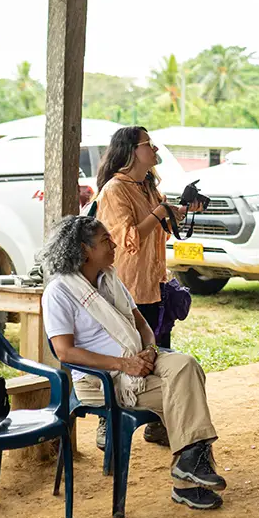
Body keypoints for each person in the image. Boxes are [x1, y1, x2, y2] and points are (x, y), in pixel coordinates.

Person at [41, 216, 227, 511]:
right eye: (105, 240)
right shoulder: (59, 292)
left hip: (138, 361)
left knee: (187, 366)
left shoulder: (110, 278)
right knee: (182, 392)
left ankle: (190, 465)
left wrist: (151, 350)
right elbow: (65, 352)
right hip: (100, 380)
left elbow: (141, 324)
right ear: (84, 249)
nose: (113, 244)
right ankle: (188, 480)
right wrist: (123, 364)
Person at [93, 126, 199, 448]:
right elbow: (128, 239)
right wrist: (160, 212)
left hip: (155, 284)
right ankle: (105, 422)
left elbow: (160, 228)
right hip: (129, 289)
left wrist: (182, 211)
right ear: (130, 151)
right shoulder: (114, 190)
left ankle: (156, 422)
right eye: (147, 144)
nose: (154, 149)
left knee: (159, 352)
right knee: (124, 354)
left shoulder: (147, 185)